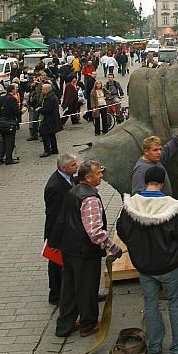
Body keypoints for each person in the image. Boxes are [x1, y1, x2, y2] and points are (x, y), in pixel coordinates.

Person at [117, 166, 178, 354]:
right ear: (162, 183)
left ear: (146, 182)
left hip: (144, 267)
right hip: (170, 265)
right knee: (176, 303)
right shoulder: (172, 206)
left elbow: (123, 232)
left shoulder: (130, 205)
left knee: (150, 304)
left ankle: (154, 348)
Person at [55, 161, 122, 338]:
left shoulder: (74, 190)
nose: (101, 176)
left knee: (69, 288)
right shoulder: (90, 198)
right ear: (88, 177)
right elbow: (95, 232)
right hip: (84, 252)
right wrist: (113, 247)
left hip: (69, 249)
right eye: (98, 174)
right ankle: (88, 325)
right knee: (87, 289)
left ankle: (65, 325)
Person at [44, 152, 79, 305]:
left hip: (67, 229)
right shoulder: (55, 187)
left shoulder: (68, 177)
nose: (76, 167)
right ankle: (57, 295)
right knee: (57, 264)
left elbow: (74, 182)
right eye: (73, 165)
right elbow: (52, 214)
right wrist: (52, 239)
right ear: (64, 168)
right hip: (59, 232)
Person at [131, 128, 178, 196]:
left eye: (160, 149)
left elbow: (167, 149)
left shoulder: (155, 158)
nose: (159, 152)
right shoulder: (140, 170)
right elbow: (138, 196)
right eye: (155, 150)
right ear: (146, 151)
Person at [0, 84, 20, 165]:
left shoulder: (2, 98)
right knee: (10, 141)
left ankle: (0, 157)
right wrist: (22, 111)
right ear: (12, 90)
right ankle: (8, 159)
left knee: (3, 141)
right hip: (10, 122)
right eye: (15, 89)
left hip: (1, 122)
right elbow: (16, 112)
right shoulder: (13, 99)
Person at [38, 83, 62, 157]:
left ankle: (47, 150)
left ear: (46, 90)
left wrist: (39, 109)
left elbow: (47, 109)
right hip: (53, 119)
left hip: (48, 119)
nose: (41, 90)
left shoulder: (49, 98)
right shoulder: (52, 96)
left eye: (42, 89)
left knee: (45, 135)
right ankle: (54, 149)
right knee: (52, 135)